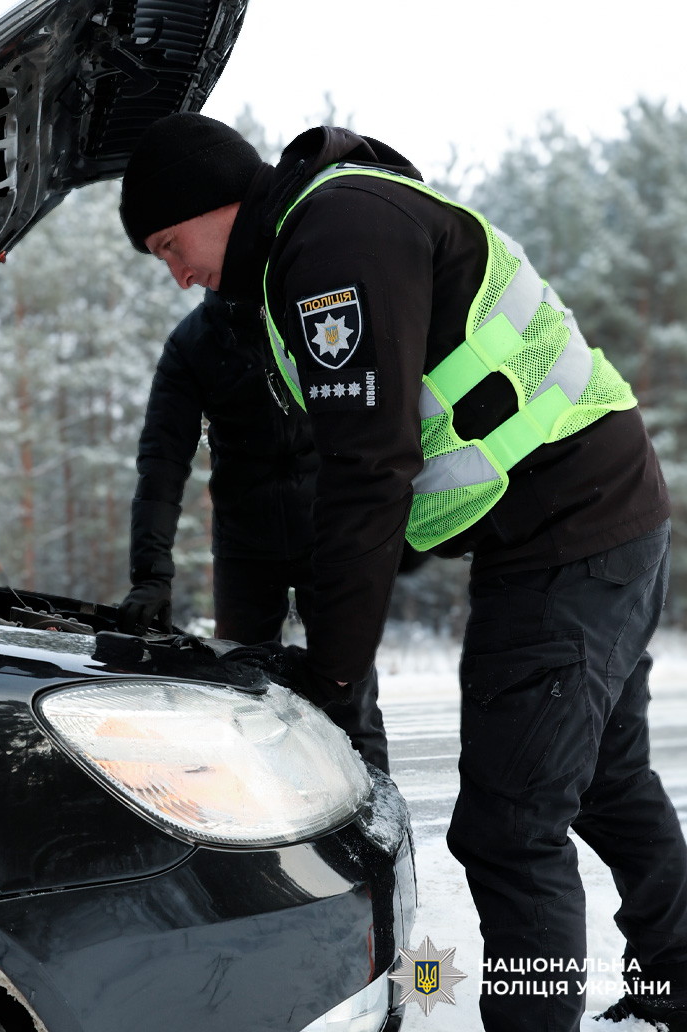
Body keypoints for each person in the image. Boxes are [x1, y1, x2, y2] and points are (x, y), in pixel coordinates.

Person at [117, 112, 687, 1032]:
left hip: (567, 536)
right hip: (599, 514)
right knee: (610, 786)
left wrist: (334, 666)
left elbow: (366, 469)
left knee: (508, 831)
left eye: (170, 245)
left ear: (213, 203)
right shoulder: (319, 237)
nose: (176, 273)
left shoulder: (330, 242)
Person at [115, 285, 391, 772]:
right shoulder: (191, 343)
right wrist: (151, 574)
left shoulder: (315, 313)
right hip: (245, 549)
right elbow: (161, 463)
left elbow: (382, 417)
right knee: (239, 705)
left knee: (352, 706)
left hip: (329, 538)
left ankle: (378, 832)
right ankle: (259, 839)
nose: (177, 274)